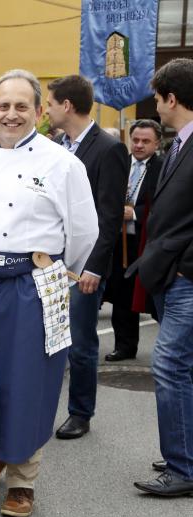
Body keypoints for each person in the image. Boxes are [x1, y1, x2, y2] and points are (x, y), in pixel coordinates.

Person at [0, 69, 97, 517]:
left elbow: (84, 233)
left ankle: (23, 478)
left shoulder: (62, 163)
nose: (11, 114)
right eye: (3, 105)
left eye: (21, 106)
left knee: (29, 380)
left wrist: (51, 274)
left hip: (35, 282)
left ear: (38, 111)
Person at [45, 75, 129, 440]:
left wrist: (94, 266)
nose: (45, 110)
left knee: (79, 343)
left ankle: (80, 411)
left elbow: (109, 216)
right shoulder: (56, 146)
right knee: (50, 339)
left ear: (67, 105)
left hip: (84, 268)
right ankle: (44, 405)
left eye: (49, 103)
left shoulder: (108, 149)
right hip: (50, 262)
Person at [130, 58, 193, 497]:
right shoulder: (179, 143)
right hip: (172, 272)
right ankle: (184, 452)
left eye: (157, 97)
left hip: (187, 276)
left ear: (172, 99)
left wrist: (185, 266)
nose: (155, 104)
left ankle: (182, 468)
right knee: (181, 368)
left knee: (169, 366)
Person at [103, 119, 163, 362]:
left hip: (146, 241)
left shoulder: (162, 166)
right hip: (119, 241)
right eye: (135, 140)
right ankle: (125, 346)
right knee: (121, 295)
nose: (139, 145)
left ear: (157, 143)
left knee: (155, 297)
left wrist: (135, 213)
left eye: (145, 141)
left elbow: (163, 204)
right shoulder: (120, 163)